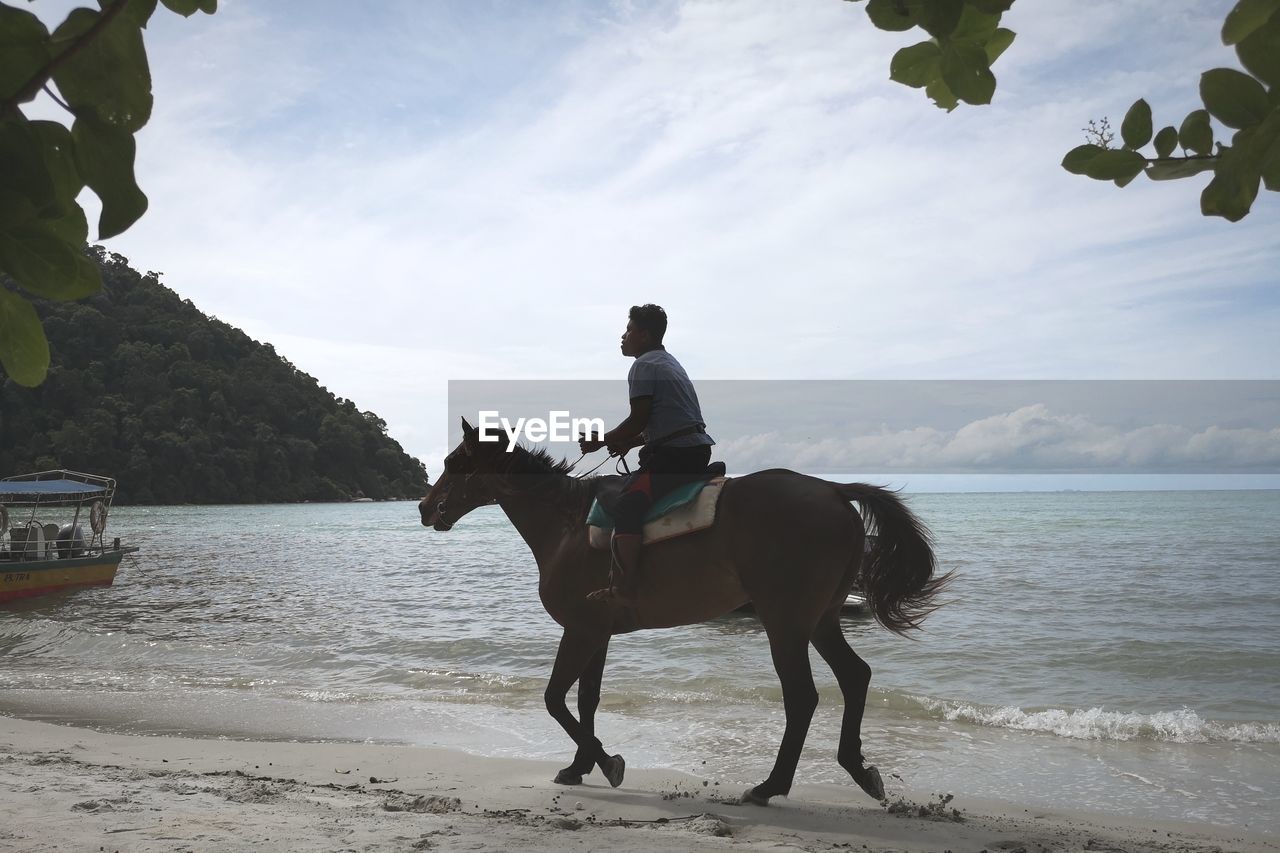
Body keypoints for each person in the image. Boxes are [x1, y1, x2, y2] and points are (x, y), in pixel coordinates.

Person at [578, 304, 715, 604]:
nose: (623, 336)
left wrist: (601, 441)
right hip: (692, 449)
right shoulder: (670, 363)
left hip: (675, 456)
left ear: (644, 334)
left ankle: (624, 588)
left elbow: (637, 419)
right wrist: (631, 442)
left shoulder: (642, 366)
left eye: (628, 330)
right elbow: (664, 422)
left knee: (628, 506)